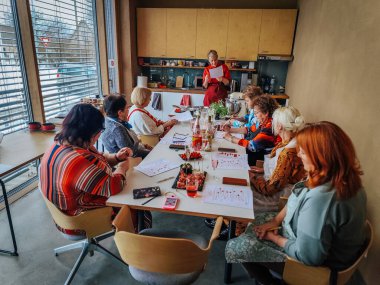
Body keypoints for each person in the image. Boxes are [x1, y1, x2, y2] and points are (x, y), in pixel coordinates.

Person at [225, 121, 367, 285]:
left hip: (318, 269)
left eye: (303, 152)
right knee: (248, 229)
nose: (299, 155)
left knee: (237, 247)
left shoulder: (322, 198)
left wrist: (274, 238)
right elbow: (295, 197)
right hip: (310, 242)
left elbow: (309, 256)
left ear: (320, 156)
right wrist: (276, 221)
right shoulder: (340, 179)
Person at [39, 104, 151, 236]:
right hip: (78, 219)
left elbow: (98, 157)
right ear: (91, 133)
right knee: (136, 201)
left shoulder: (63, 142)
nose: (99, 135)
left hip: (63, 210)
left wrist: (116, 157)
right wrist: (122, 167)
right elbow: (114, 185)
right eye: (99, 131)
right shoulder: (79, 160)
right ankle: (136, 242)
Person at [249, 106, 306, 212]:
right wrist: (263, 170)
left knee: (244, 194)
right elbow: (286, 170)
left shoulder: (289, 151)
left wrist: (252, 178)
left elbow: (270, 189)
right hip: (278, 185)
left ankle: (239, 226)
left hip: (281, 196)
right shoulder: (291, 140)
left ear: (279, 126)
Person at [224, 94, 279, 166]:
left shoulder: (269, 128)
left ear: (266, 113)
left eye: (256, 113)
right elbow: (249, 129)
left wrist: (231, 138)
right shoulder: (264, 122)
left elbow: (252, 146)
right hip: (257, 156)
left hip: (263, 163)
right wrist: (230, 130)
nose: (255, 115)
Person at [102, 94, 152, 159]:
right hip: (128, 161)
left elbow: (129, 144)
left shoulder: (108, 120)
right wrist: (151, 152)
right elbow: (131, 153)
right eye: (127, 108)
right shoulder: (117, 128)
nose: (129, 110)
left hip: (131, 153)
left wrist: (142, 146)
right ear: (120, 112)